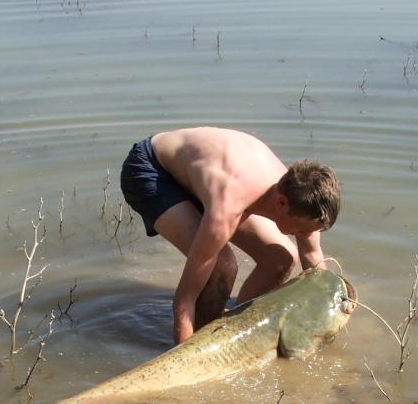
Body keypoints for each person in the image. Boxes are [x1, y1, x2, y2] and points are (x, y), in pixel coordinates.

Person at [120, 127, 341, 345]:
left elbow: (317, 277)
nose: (306, 235)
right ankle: (203, 342)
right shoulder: (229, 203)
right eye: (303, 230)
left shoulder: (305, 199)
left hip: (205, 177)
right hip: (153, 170)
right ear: (282, 203)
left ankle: (237, 332)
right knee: (221, 267)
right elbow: (183, 301)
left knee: (281, 258)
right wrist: (185, 363)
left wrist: (324, 326)